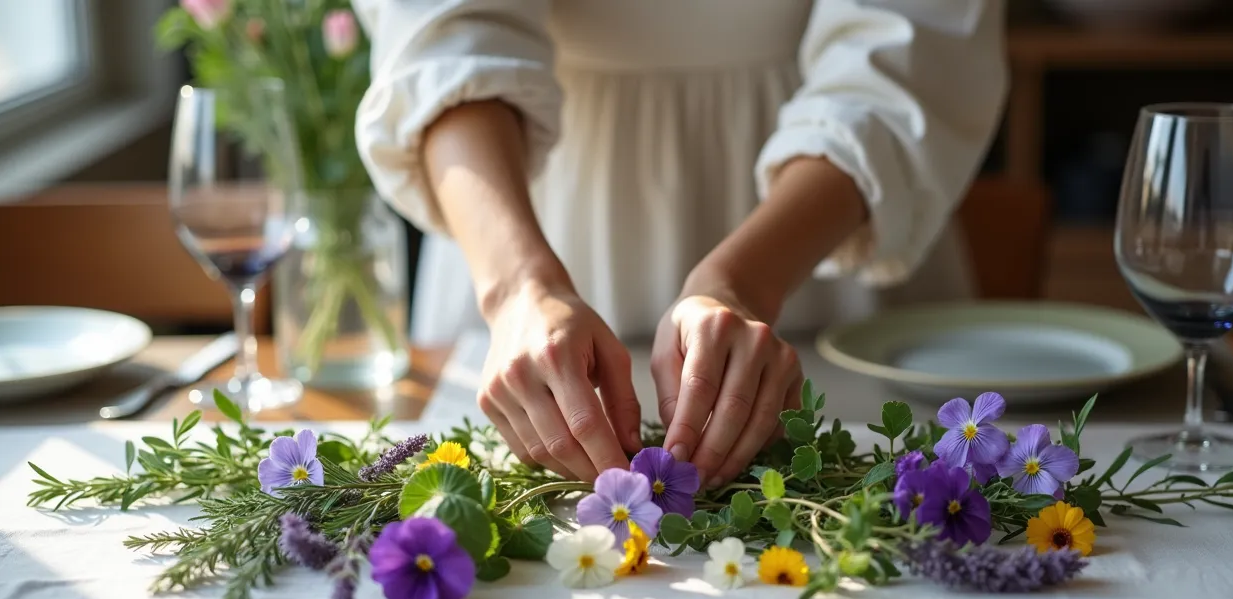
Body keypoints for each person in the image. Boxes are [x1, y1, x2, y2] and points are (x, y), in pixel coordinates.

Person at [353, 0, 1006, 486]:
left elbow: (908, 52)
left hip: (833, 207)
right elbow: (443, 43)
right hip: (526, 206)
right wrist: (518, 288)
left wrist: (743, 282)